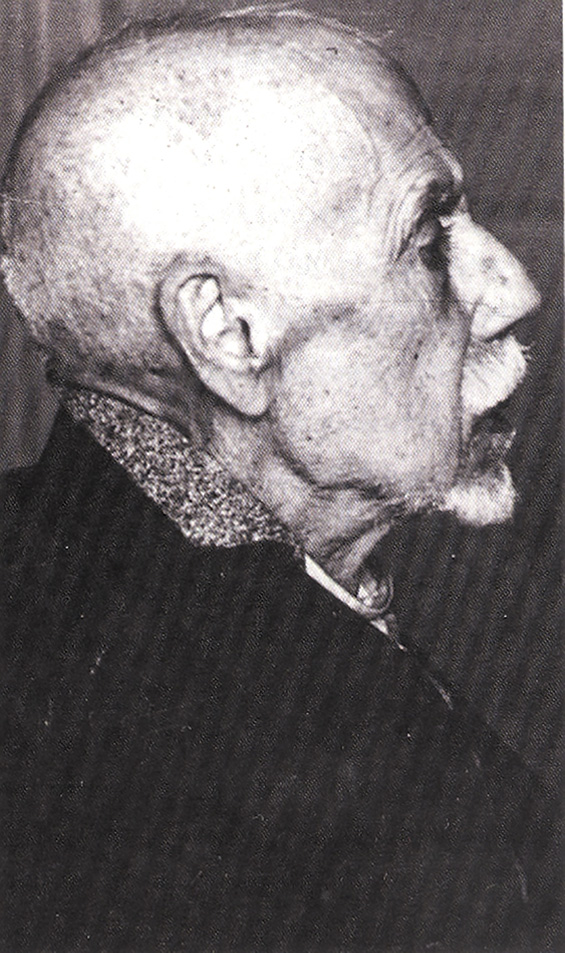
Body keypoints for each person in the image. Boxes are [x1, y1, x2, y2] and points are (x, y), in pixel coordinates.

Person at [0, 8, 557, 952]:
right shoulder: (142, 779)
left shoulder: (98, 600)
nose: (512, 289)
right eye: (428, 238)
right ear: (229, 336)